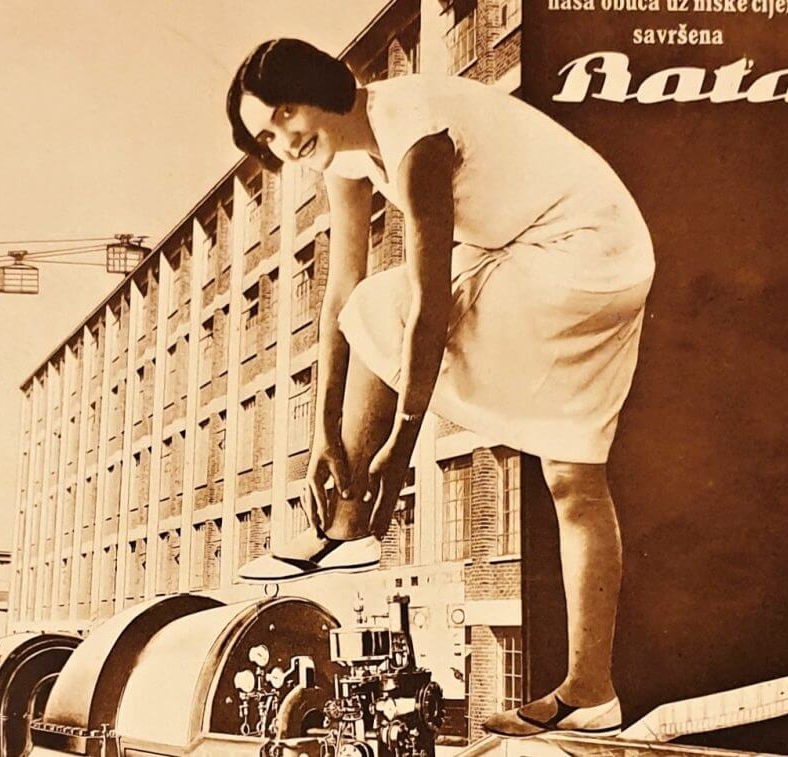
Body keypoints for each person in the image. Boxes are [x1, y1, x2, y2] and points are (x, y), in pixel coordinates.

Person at [226, 38, 654, 738]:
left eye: (284, 114)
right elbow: (338, 292)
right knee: (574, 475)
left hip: (577, 253)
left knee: (387, 304)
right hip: (598, 253)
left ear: (317, 88)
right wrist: (323, 434)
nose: (284, 141)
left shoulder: (413, 130)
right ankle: (592, 692)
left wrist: (401, 443)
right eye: (266, 135)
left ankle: (348, 527)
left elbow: (426, 305)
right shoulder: (343, 157)